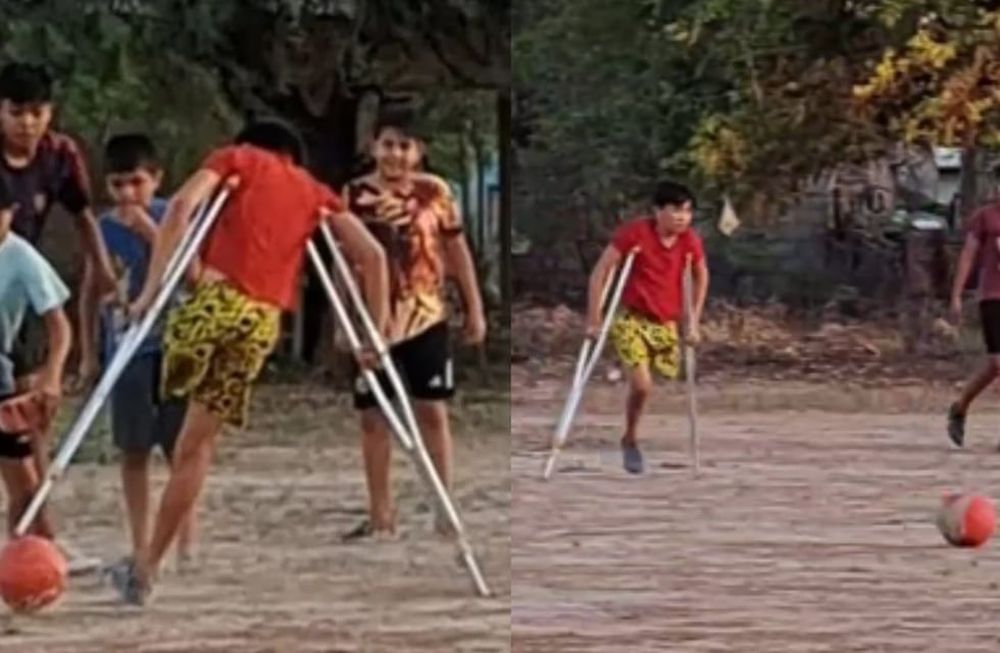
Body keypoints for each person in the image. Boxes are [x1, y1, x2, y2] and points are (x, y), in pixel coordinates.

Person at [108, 119, 389, 606]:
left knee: (166, 424)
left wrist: (151, 293)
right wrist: (377, 337)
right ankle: (149, 564)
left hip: (215, 304)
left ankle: (147, 558)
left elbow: (180, 207)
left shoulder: (236, 159)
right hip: (261, 323)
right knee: (195, 447)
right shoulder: (313, 189)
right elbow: (374, 256)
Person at [341, 106, 487, 539]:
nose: (396, 155)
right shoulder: (352, 195)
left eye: (405, 146)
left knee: (432, 410)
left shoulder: (435, 192)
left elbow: (456, 250)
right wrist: (343, 319)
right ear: (373, 148)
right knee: (373, 416)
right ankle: (380, 512)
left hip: (425, 314)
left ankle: (443, 505)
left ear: (419, 151)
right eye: (388, 144)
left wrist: (474, 307)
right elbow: (344, 260)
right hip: (372, 320)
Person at [78, 133, 198, 573]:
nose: (128, 194)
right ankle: (140, 540)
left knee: (179, 446)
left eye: (137, 182)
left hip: (175, 344)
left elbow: (195, 277)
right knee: (133, 449)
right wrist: (90, 354)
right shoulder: (104, 226)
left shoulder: (175, 215)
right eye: (118, 184)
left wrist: (152, 233)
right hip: (125, 348)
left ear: (156, 179)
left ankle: (183, 541)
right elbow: (91, 290)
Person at [0, 62, 117, 388]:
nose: (27, 123)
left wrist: (103, 269)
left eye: (36, 113)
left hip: (17, 269)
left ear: (49, 113)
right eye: (16, 112)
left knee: (22, 376)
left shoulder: (59, 154)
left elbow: (82, 215)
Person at [585, 180, 709, 474]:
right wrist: (594, 318)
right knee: (642, 385)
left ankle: (623, 377)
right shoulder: (636, 233)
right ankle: (630, 439)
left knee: (664, 375)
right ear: (657, 211)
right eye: (675, 210)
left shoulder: (689, 241)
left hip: (664, 323)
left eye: (687, 212)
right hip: (632, 320)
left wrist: (693, 320)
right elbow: (601, 271)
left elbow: (701, 277)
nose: (682, 217)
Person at [0, 174, 72, 552]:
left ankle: (24, 565)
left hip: (2, 384)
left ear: (10, 213)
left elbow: (59, 326)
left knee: (25, 488)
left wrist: (52, 376)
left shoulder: (20, 256)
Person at [947, 172, 1000, 447]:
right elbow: (968, 256)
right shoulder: (985, 218)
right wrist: (956, 295)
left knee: (995, 367)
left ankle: (960, 405)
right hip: (994, 297)